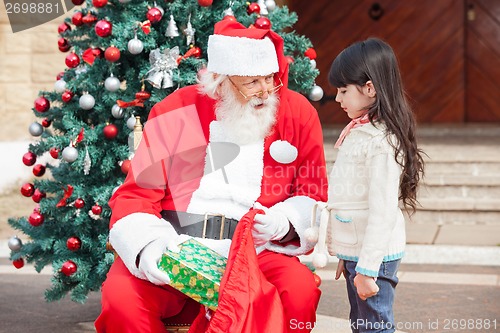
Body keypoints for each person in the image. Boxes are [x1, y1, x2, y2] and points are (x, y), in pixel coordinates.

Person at [95, 20, 328, 333]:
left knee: (298, 292)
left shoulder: (295, 113)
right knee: (122, 299)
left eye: (270, 79)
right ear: (221, 81)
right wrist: (151, 245)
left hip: (255, 252)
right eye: (252, 82)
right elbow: (137, 194)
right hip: (176, 243)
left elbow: (312, 192)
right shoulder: (178, 110)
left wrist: (284, 222)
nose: (265, 91)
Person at [317, 38, 425, 333]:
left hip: (373, 259)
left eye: (343, 91)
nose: (337, 99)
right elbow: (350, 200)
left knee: (374, 327)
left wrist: (366, 268)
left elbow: (382, 212)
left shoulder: (381, 142)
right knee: (362, 324)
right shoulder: (361, 131)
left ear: (369, 88)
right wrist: (347, 254)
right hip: (360, 254)